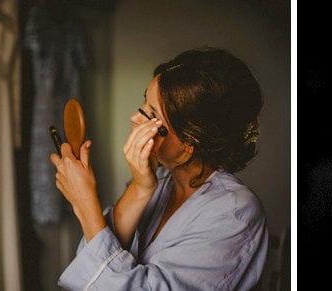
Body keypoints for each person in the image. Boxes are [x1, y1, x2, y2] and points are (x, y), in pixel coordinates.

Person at [49, 47, 267, 290]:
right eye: (144, 104)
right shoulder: (160, 181)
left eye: (150, 115)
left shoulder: (235, 213)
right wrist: (140, 189)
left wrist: (85, 203)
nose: (135, 117)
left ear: (190, 141)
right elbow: (91, 262)